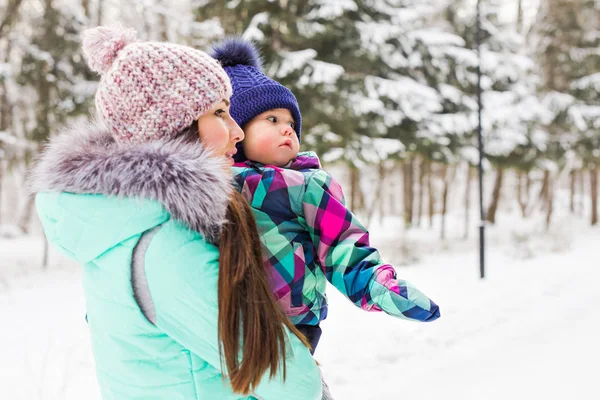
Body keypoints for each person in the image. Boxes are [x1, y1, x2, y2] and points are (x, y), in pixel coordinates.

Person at [30, 26, 322, 400]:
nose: (236, 131)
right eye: (220, 112)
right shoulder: (165, 246)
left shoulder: (122, 223)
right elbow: (291, 381)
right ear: (175, 127)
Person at [212, 38, 441, 356]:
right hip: (224, 320)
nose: (288, 129)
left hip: (291, 323)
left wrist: (379, 287)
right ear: (236, 130)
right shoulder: (209, 181)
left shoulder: (307, 185)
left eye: (291, 123)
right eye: (272, 120)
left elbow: (343, 248)